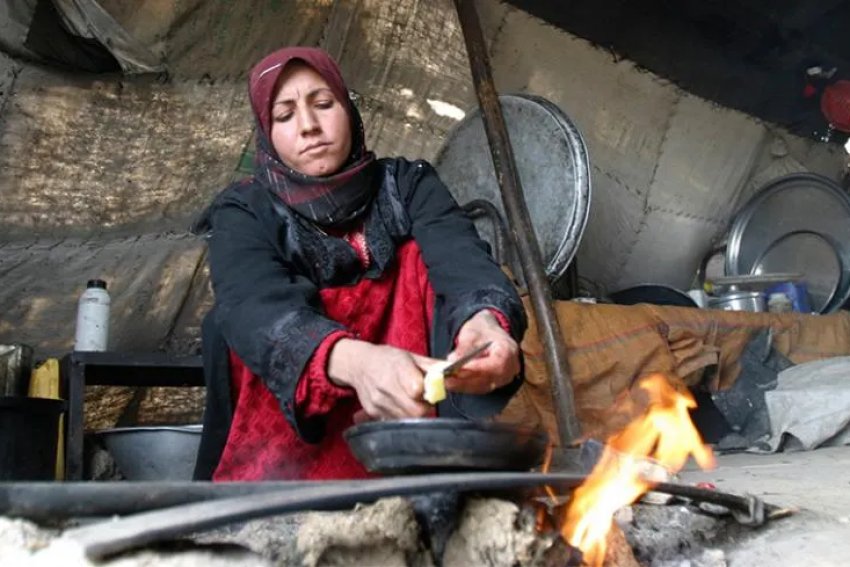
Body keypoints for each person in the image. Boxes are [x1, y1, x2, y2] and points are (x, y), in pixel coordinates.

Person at [192, 46, 527, 481]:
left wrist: (485, 324)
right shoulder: (245, 211)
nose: (309, 127)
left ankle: (432, 465)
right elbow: (253, 303)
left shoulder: (407, 185)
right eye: (285, 115)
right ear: (266, 133)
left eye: (323, 104)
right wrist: (360, 364)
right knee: (237, 321)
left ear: (349, 111)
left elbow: (460, 258)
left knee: (422, 262)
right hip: (292, 447)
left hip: (414, 413)